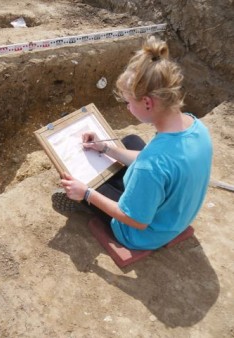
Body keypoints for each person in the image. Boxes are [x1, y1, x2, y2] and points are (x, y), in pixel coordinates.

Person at [54, 36, 213, 250]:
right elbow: (160, 165)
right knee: (130, 141)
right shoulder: (196, 127)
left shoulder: (152, 164)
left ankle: (84, 201)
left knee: (82, 178)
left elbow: (136, 220)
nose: (128, 108)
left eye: (129, 102)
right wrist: (105, 148)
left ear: (147, 102)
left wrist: (86, 193)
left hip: (142, 233)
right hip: (175, 215)